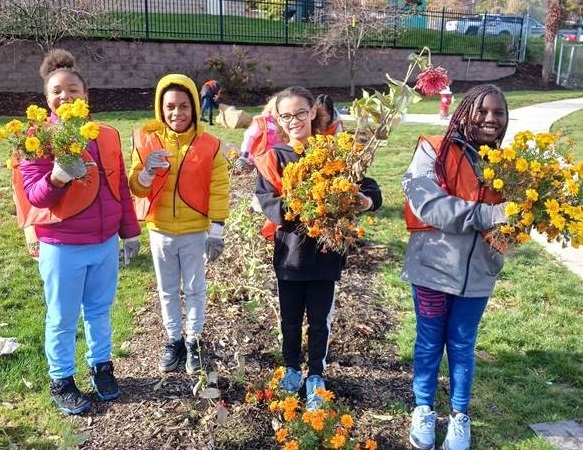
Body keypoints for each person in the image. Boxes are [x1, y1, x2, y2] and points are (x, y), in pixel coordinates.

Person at [13, 49, 141, 415]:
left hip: (103, 243)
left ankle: (102, 366)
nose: (65, 96)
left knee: (100, 311)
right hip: (62, 245)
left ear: (86, 95)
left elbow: (119, 187)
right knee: (62, 317)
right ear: (47, 98)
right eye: (57, 91)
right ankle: (62, 379)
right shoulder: (37, 138)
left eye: (73, 89)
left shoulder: (106, 134)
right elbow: (35, 195)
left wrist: (129, 232)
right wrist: (56, 177)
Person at [254, 86, 382, 410]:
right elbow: (270, 203)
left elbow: (370, 189)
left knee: (320, 321)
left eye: (300, 112)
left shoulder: (336, 152)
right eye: (286, 115)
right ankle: (292, 370)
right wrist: (309, 200)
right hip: (290, 255)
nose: (293, 120)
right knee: (290, 319)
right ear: (278, 119)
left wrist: (364, 201)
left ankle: (316, 376)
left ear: (312, 112)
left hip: (326, 256)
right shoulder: (274, 158)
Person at [402, 84, 510, 450]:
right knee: (430, 342)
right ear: (464, 111)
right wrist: (489, 215)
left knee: (462, 344)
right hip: (433, 270)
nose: (490, 119)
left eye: (498, 113)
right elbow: (427, 204)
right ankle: (424, 409)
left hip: (477, 276)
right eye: (482, 111)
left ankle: (460, 416)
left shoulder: (511, 166)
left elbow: (516, 220)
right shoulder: (432, 149)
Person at [128, 74, 229, 376]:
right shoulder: (147, 141)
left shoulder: (210, 145)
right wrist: (146, 173)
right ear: (161, 108)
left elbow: (219, 187)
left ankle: (194, 340)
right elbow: (136, 187)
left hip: (195, 232)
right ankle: (174, 340)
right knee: (168, 290)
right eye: (170, 106)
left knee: (196, 288)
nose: (177, 113)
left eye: (184, 106)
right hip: (160, 230)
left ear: (195, 107)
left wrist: (217, 230)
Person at [234, 94, 287, 174]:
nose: (279, 112)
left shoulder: (285, 123)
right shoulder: (262, 122)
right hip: (263, 157)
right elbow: (249, 136)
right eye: (277, 109)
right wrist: (245, 154)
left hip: (280, 157)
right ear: (270, 109)